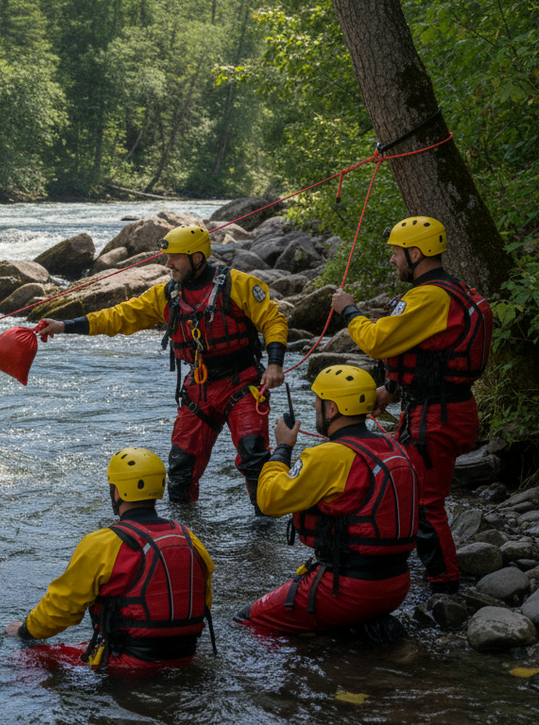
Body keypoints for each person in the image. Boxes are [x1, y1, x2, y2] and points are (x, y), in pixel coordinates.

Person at [36, 225, 288, 508]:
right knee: (181, 469)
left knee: (253, 458)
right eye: (167, 257)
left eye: (174, 258)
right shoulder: (165, 296)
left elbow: (273, 320)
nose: (167, 264)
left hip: (242, 383)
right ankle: (184, 532)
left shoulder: (237, 285)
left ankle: (264, 534)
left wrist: (274, 364)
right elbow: (118, 317)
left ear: (197, 258)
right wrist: (64, 326)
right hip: (200, 388)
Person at [330, 216, 492, 595]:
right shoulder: (450, 290)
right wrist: (390, 387)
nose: (392, 261)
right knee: (416, 494)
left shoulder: (429, 296)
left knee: (423, 502)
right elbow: (433, 352)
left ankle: (444, 587)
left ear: (415, 253)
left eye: (396, 253)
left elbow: (376, 341)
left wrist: (348, 310)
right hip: (439, 408)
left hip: (437, 416)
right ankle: (428, 573)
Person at [235, 365, 419, 635]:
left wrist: (283, 447)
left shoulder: (328, 456)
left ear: (332, 409)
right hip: (396, 584)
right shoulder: (394, 447)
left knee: (247, 622)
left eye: (318, 400)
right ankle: (360, 633)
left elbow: (268, 501)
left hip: (349, 589)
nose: (314, 404)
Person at [4, 448, 214, 673]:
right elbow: (204, 600)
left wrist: (25, 630)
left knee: (20, 659)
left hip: (128, 665)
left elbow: (61, 608)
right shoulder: (189, 538)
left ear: (117, 493)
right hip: (185, 658)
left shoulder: (102, 543)